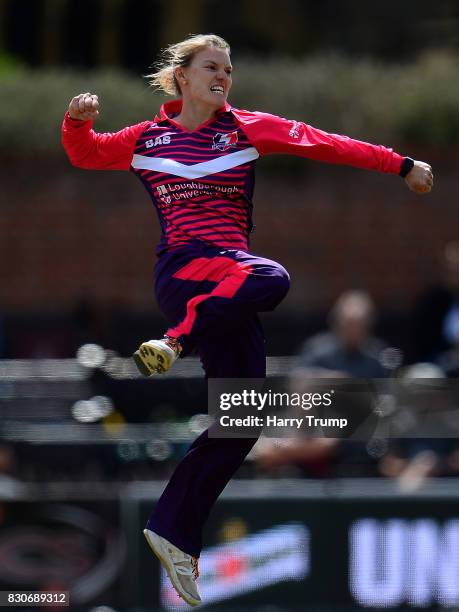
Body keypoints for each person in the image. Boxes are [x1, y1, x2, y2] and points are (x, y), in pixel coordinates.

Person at [62, 34, 433, 606]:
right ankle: (175, 340)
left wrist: (401, 164)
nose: (224, 77)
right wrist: (76, 123)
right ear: (181, 76)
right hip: (186, 276)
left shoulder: (244, 127)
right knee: (274, 278)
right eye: (212, 67)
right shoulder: (146, 138)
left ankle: (172, 530)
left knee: (242, 418)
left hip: (229, 283)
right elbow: (86, 154)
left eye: (229, 69)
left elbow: (323, 143)